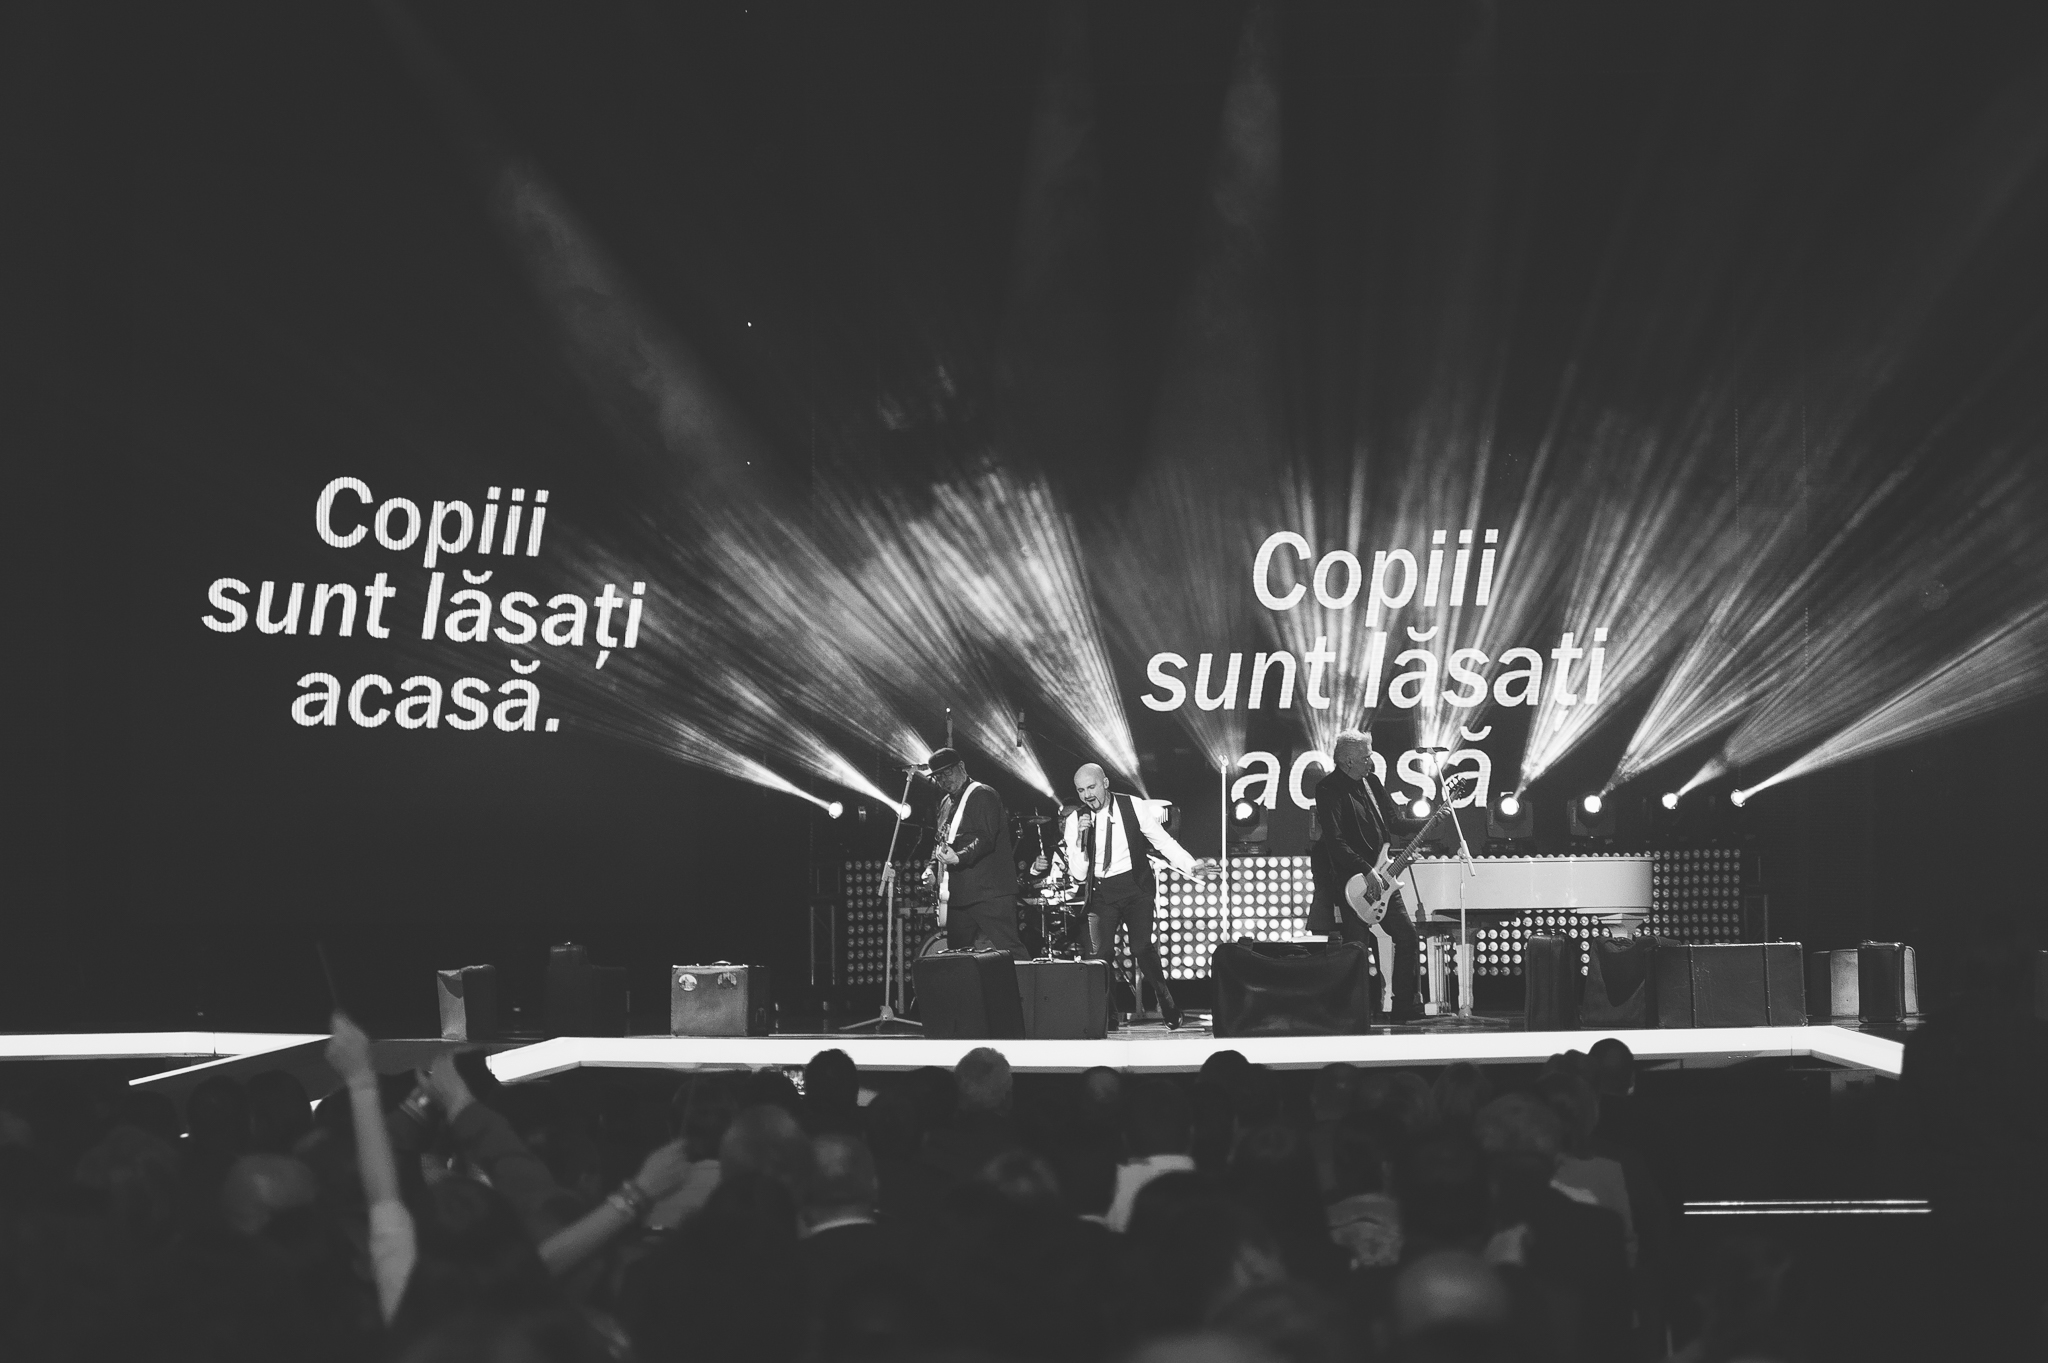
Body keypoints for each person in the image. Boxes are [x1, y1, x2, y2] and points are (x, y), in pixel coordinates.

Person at [1063, 762, 1218, 1029]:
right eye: (1081, 790)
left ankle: (1165, 999)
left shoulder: (1133, 806)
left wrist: (1191, 865)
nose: (1087, 795)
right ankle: (1108, 1014)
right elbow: (1078, 874)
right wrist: (1080, 840)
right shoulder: (1075, 821)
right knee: (1100, 954)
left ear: (1105, 783)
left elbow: (1163, 842)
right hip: (1101, 893)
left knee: (1140, 947)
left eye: (1091, 787)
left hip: (1136, 887)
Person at [1309, 728, 1422, 1022]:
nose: (1370, 762)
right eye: (1365, 758)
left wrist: (1427, 822)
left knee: (1407, 937)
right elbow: (1335, 841)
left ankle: (1402, 1006)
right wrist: (1365, 869)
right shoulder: (1328, 789)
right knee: (1357, 949)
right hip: (1353, 881)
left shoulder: (1371, 782)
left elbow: (1393, 822)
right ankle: (1357, 1010)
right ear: (1348, 760)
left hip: (1383, 877)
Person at [924, 747, 1025, 957]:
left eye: (947, 773)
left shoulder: (983, 794)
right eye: (938, 777)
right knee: (958, 956)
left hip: (990, 892)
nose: (944, 780)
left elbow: (985, 838)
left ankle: (1027, 980)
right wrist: (932, 868)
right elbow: (941, 840)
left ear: (961, 766)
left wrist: (959, 857)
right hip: (959, 894)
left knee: (1010, 950)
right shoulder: (945, 803)